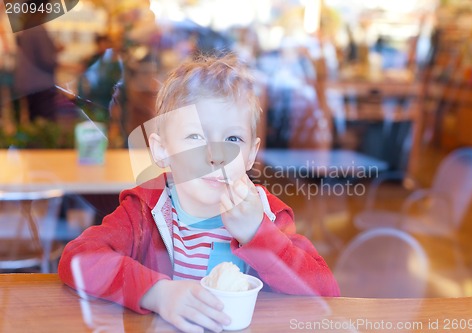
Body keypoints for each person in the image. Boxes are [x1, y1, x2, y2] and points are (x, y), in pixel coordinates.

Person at [58, 54, 340, 333]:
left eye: (232, 139)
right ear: (161, 150)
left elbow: (326, 292)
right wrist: (156, 293)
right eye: (196, 137)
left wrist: (259, 235)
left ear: (251, 154)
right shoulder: (144, 210)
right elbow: (78, 259)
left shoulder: (266, 214)